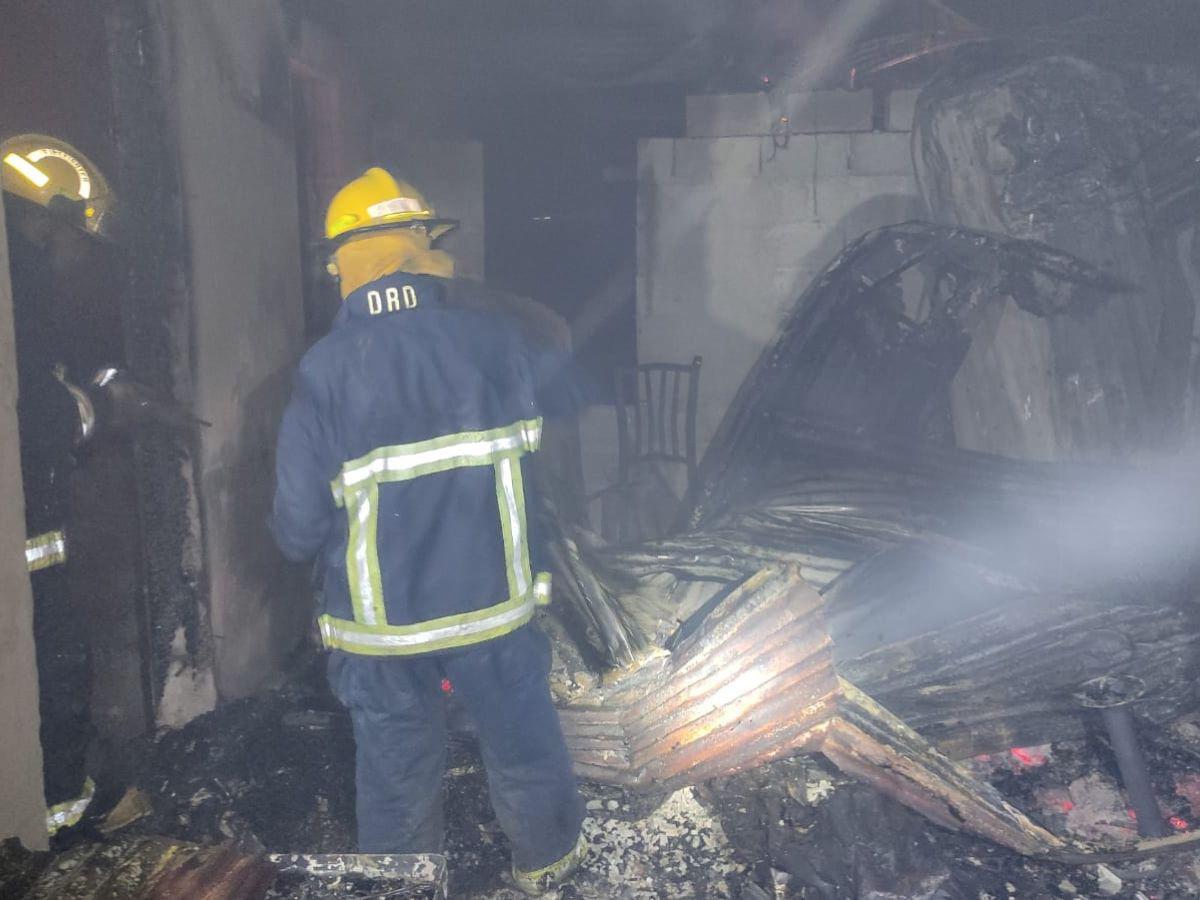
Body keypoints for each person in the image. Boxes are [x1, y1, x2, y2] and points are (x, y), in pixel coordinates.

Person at [271, 168, 587, 894]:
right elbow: (542, 464)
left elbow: (296, 524)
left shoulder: (325, 369)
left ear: (347, 264)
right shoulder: (496, 342)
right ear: (422, 250)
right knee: (525, 748)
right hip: (497, 609)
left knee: (395, 771)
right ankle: (549, 873)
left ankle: (408, 886)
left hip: (384, 634)